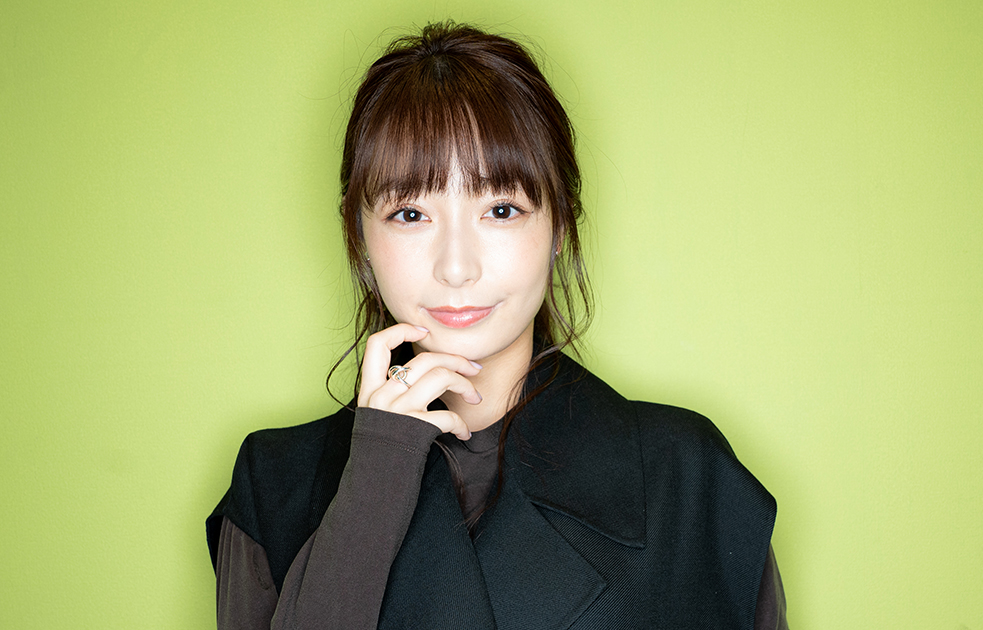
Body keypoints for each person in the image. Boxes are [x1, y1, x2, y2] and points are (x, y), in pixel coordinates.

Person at [207, 21, 786, 629]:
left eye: (501, 209)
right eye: (410, 213)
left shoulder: (684, 476)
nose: (457, 267)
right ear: (360, 238)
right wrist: (375, 478)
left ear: (560, 226)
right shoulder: (277, 484)